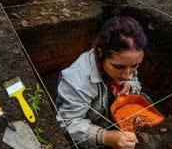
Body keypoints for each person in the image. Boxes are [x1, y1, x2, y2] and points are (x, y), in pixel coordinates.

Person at [56, 16, 148, 148]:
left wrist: (130, 85)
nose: (127, 75)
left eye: (135, 66)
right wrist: (105, 137)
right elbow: (68, 123)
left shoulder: (126, 63)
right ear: (100, 53)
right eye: (119, 67)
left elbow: (133, 79)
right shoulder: (76, 82)